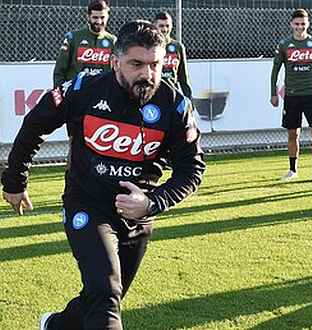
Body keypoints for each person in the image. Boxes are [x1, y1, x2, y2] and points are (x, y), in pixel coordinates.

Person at [2, 20, 205, 329]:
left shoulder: (175, 106)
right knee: (106, 296)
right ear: (115, 62)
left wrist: (153, 202)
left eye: (155, 65)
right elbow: (35, 124)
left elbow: (192, 168)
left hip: (138, 217)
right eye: (136, 64)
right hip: (87, 205)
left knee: (103, 297)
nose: (147, 74)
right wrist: (15, 180)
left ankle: (54, 326)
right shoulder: (85, 88)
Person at [270, 8, 312, 182]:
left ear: (308, 24)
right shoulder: (284, 44)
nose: (299, 27)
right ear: (291, 24)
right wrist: (273, 92)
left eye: (303, 24)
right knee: (292, 134)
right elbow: (275, 70)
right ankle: (292, 170)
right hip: (291, 95)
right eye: (297, 24)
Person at [53, 0, 116, 86]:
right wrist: (59, 91)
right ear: (88, 17)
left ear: (108, 16)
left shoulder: (112, 41)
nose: (99, 21)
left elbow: (117, 71)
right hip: (76, 91)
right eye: (95, 17)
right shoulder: (73, 37)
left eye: (102, 17)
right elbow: (59, 70)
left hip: (102, 91)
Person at [153, 11, 192, 99]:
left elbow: (183, 78)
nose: (165, 29)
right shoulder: (148, 46)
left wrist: (189, 99)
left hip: (172, 94)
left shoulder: (177, 47)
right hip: (153, 95)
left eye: (167, 26)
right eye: (161, 26)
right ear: (155, 27)